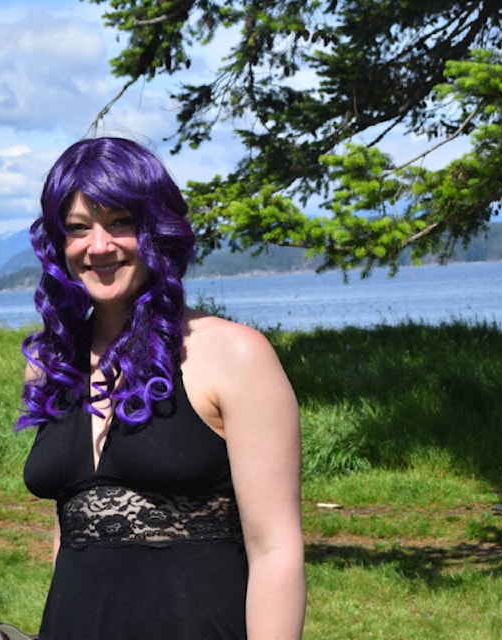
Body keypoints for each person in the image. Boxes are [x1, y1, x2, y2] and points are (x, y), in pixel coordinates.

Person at [19, 137, 307, 639]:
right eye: (78, 229)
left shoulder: (232, 355)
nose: (99, 246)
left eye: (120, 223)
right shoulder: (51, 365)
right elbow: (73, 532)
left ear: (157, 229)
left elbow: (276, 549)